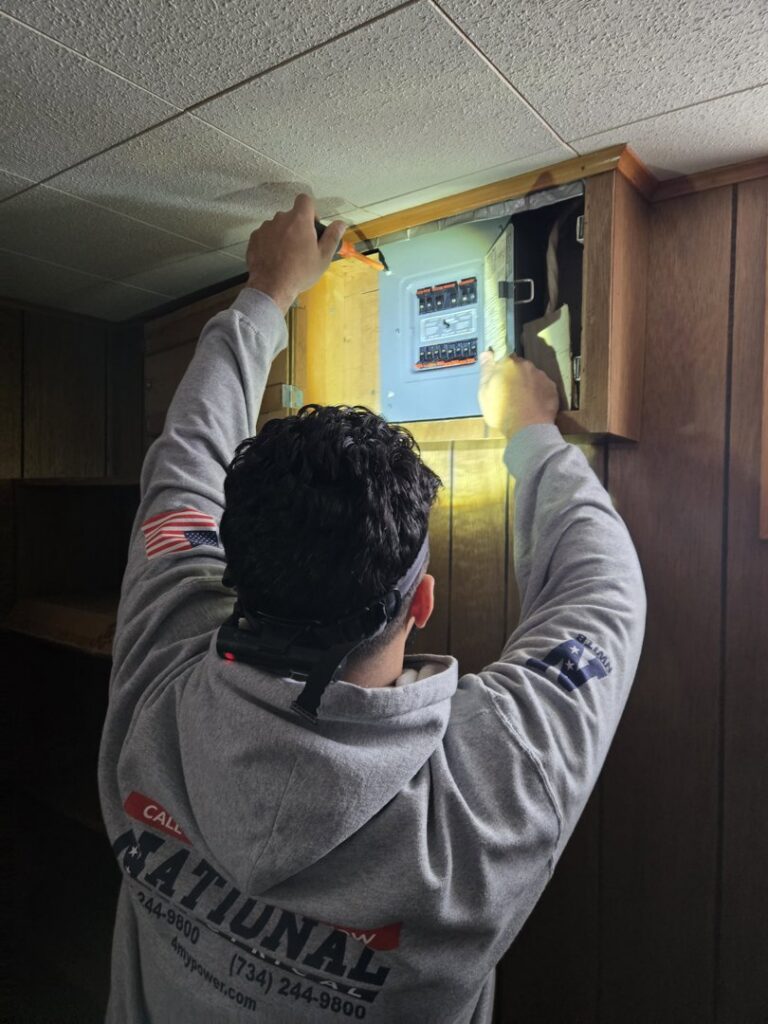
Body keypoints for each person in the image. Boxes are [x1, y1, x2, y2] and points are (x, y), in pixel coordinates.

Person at [98, 193, 646, 1024]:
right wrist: (531, 428)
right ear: (422, 600)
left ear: (230, 571)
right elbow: (604, 593)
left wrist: (265, 295)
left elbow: (183, 465)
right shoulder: (486, 798)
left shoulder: (158, 675)